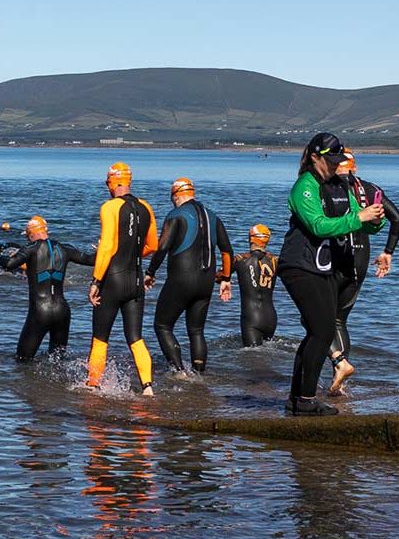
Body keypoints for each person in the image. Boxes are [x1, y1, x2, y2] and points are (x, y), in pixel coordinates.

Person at [278, 133, 384, 416]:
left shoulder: (339, 185)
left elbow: (358, 221)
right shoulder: (304, 187)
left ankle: (297, 398)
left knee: (318, 331)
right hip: (298, 265)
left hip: (323, 267)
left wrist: (375, 220)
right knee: (323, 331)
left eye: (340, 158)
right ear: (315, 157)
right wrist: (358, 218)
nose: (337, 164)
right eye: (332, 159)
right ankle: (306, 400)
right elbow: (318, 226)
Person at [328, 149, 399, 395]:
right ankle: (340, 382)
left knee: (316, 317)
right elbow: (398, 219)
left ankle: (339, 364)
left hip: (334, 257)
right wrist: (388, 252)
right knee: (339, 320)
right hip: (359, 258)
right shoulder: (370, 189)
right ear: (355, 168)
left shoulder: (327, 186)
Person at [145, 178, 233, 374]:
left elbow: (162, 247)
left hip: (181, 280)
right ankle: (199, 373)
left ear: (176, 196)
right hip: (206, 283)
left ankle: (179, 372)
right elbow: (227, 251)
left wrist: (150, 272)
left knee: (162, 325)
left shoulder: (176, 215)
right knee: (196, 330)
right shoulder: (213, 216)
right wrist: (226, 278)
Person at [86, 162, 159, 395]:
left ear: (112, 182)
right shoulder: (146, 207)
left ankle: (93, 386)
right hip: (136, 281)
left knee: (100, 338)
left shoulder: (110, 207)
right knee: (135, 337)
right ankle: (147, 387)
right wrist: (131, 254)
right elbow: (153, 245)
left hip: (113, 280)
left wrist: (96, 281)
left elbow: (107, 246)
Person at [0, 215, 94, 361]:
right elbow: (90, 259)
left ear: (31, 234)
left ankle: (27, 377)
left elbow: (9, 264)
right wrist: (104, 249)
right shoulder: (64, 248)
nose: (27, 240)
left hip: (40, 311)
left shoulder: (31, 248)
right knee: (58, 361)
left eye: (27, 237)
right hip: (62, 311)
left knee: (23, 360)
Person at [233, 224, 278, 347]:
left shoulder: (240, 259)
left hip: (251, 317)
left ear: (250, 239)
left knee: (252, 355)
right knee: (268, 352)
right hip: (271, 317)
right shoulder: (275, 260)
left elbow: (220, 276)